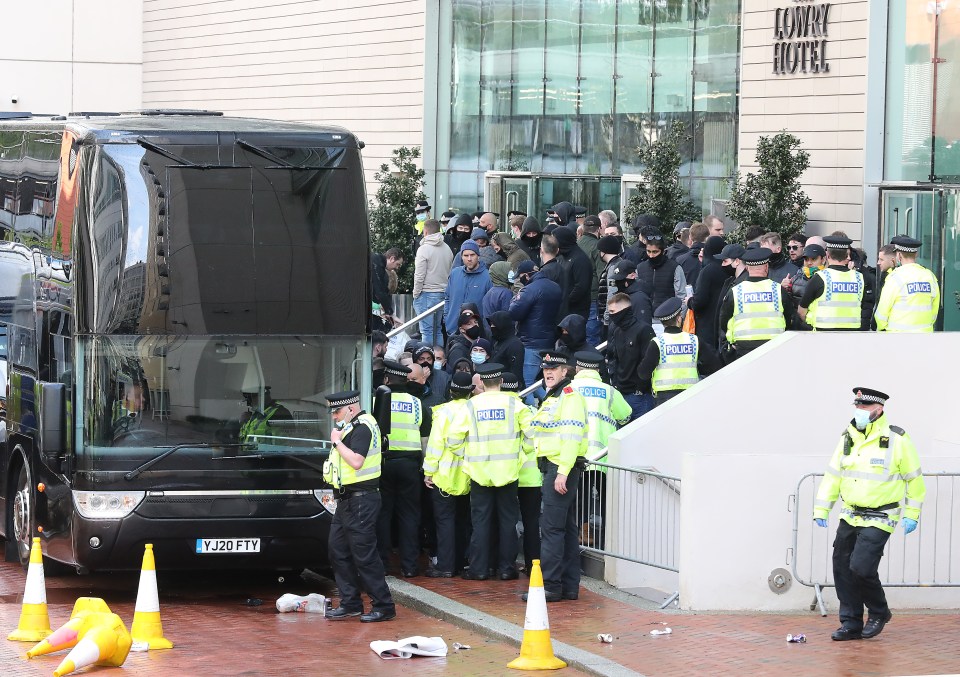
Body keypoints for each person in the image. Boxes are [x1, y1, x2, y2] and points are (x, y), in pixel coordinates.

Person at [813, 387, 925, 641]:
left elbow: (915, 481)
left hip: (881, 516)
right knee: (842, 567)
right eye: (857, 406)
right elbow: (833, 475)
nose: (859, 411)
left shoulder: (897, 440)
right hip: (850, 514)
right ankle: (851, 623)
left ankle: (878, 611)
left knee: (861, 567)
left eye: (864, 407)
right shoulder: (847, 438)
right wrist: (822, 508)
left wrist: (912, 514)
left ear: (879, 409)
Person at [448, 363, 532, 580]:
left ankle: (479, 569)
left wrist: (467, 456)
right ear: (501, 382)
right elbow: (532, 438)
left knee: (481, 523)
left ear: (482, 384)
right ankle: (506, 569)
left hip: (479, 473)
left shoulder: (471, 406)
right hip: (508, 472)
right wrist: (520, 454)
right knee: (507, 523)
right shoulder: (516, 404)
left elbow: (453, 440)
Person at [323, 390, 396, 622]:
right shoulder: (352, 427)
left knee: (364, 555)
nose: (334, 416)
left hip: (361, 500)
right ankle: (350, 602)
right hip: (347, 500)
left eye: (338, 411)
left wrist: (335, 442)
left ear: (351, 409)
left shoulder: (362, 427)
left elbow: (356, 461)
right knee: (338, 550)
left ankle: (383, 605)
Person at [526, 351, 588, 602]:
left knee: (551, 529)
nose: (548, 372)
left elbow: (572, 437)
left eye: (555, 368)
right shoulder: (554, 397)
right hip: (556, 466)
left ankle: (551, 585)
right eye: (545, 369)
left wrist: (562, 471)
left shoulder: (569, 396)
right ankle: (569, 586)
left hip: (559, 467)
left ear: (566, 371)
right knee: (567, 530)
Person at [377, 361, 432, 578]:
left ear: (387, 380)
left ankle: (382, 564)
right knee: (410, 515)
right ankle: (410, 566)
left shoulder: (376, 400)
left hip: (384, 464)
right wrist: (426, 467)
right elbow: (425, 440)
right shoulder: (417, 404)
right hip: (410, 465)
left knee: (383, 515)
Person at [422, 372, 475, 577]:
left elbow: (435, 444)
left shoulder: (442, 412)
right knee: (463, 521)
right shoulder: (475, 410)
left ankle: (445, 566)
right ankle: (461, 562)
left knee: (445, 521)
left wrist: (429, 471)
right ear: (470, 391)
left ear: (450, 391)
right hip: (469, 473)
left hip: (444, 474)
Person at [638, 298, 721, 406]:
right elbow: (715, 365)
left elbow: (643, 374)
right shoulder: (694, 340)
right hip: (691, 396)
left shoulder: (657, 343)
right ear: (679, 319)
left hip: (664, 399)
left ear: (663, 323)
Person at [718, 247, 794, 362]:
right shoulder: (778, 289)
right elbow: (789, 318)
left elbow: (724, 321)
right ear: (766, 267)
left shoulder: (736, 291)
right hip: (774, 346)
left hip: (743, 348)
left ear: (747, 268)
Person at [509, 260, 562, 400]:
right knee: (539, 380)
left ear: (526, 275)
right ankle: (550, 402)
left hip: (531, 342)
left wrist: (515, 299)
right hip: (549, 340)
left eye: (520, 276)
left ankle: (537, 409)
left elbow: (514, 312)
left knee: (528, 383)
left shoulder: (529, 290)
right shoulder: (555, 287)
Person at [874, 235, 940, 333]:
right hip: (925, 336)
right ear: (916, 254)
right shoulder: (930, 276)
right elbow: (934, 309)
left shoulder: (894, 277)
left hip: (898, 337)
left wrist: (882, 329)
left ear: (899, 255)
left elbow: (882, 312)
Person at [605, 293, 656, 420]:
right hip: (621, 394)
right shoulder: (617, 331)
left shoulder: (644, 330)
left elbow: (649, 361)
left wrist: (640, 388)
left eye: (612, 311)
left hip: (640, 396)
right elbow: (614, 359)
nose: (610, 315)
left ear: (624, 310)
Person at [798, 235, 865, 331]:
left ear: (827, 255)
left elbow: (801, 311)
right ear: (847, 255)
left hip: (823, 335)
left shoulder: (820, 278)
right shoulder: (859, 277)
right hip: (852, 335)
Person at [413, 219, 453, 347]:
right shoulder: (447, 248)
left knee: (426, 331)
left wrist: (416, 293)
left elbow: (419, 275)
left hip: (426, 293)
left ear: (425, 231)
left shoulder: (423, 249)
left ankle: (426, 360)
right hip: (442, 294)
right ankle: (438, 360)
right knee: (438, 330)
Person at [443, 241, 492, 336]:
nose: (469, 259)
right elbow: (447, 297)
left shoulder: (488, 276)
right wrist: (447, 318)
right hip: (453, 330)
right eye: (466, 255)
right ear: (461, 256)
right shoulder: (454, 273)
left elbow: (490, 306)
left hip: (476, 333)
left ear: (478, 255)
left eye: (472, 255)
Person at [688, 236, 727, 350]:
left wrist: (689, 301)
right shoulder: (727, 268)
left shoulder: (707, 271)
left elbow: (699, 300)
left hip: (707, 324)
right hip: (723, 322)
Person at [635, 230, 686, 310]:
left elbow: (682, 296)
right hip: (646, 316)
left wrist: (680, 317)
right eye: (648, 251)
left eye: (655, 252)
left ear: (662, 251)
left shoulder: (674, 267)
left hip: (668, 317)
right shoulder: (640, 268)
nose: (651, 255)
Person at [553, 226, 593, 321]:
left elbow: (581, 287)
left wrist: (565, 302)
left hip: (576, 311)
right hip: (564, 310)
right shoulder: (562, 257)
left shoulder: (580, 259)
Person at [578, 215, 605, 346]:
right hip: (592, 296)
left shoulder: (575, 244)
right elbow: (602, 275)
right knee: (592, 334)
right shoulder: (598, 247)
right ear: (599, 229)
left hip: (576, 295)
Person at [487, 311, 526, 390]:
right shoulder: (498, 341)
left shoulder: (514, 345)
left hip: (508, 389)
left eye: (494, 324)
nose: (491, 327)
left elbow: (516, 372)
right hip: (496, 386)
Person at [597, 234, 624, 335]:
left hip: (611, 318)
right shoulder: (618, 264)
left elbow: (611, 294)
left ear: (604, 251)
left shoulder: (612, 268)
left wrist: (607, 318)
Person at [371, 248, 403, 326]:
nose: (397, 268)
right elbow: (379, 291)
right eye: (397, 264)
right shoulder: (376, 263)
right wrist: (391, 313)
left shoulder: (379, 266)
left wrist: (387, 311)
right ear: (392, 258)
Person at [445, 309, 482, 374]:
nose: (475, 325)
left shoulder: (474, 344)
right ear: (462, 330)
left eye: (475, 322)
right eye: (469, 324)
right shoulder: (458, 350)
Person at [414, 345, 450, 409]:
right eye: (421, 359)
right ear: (415, 361)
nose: (425, 362)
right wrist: (421, 379)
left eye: (429, 359)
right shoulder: (409, 375)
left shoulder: (444, 377)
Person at [676, 222, 708, 288]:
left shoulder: (680, 260)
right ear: (708, 237)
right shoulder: (715, 259)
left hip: (687, 296)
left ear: (690, 237)